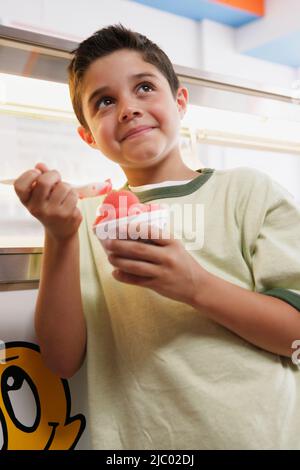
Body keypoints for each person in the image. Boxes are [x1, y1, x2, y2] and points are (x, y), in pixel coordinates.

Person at [14, 24, 300, 450]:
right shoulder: (82, 221)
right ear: (88, 136)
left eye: (144, 87)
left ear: (180, 101)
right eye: (105, 101)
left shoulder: (249, 193)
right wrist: (59, 235)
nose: (128, 108)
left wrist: (194, 286)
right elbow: (61, 359)